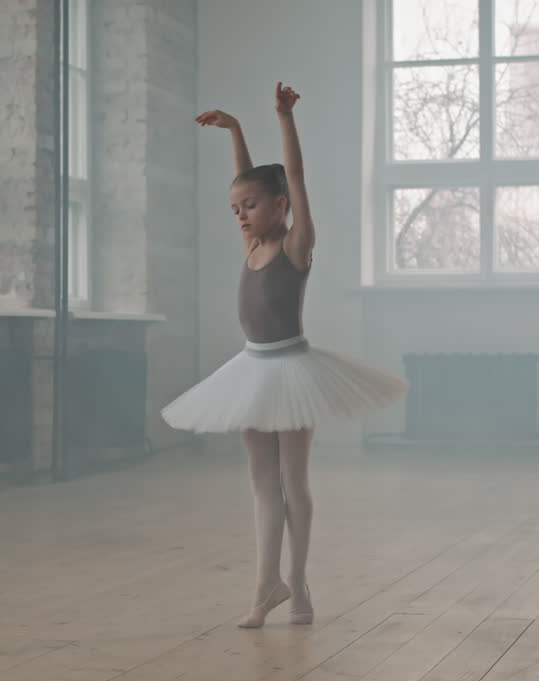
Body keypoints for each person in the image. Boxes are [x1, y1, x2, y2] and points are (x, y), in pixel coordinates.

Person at [161, 84, 407, 629]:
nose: (241, 216)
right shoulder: (250, 244)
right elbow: (252, 181)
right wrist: (235, 132)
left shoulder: (295, 245)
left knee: (294, 482)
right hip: (251, 371)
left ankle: (298, 585)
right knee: (259, 483)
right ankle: (266, 584)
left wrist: (282, 119)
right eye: (235, 209)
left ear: (280, 208)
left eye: (249, 207)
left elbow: (291, 178)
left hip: (293, 370)